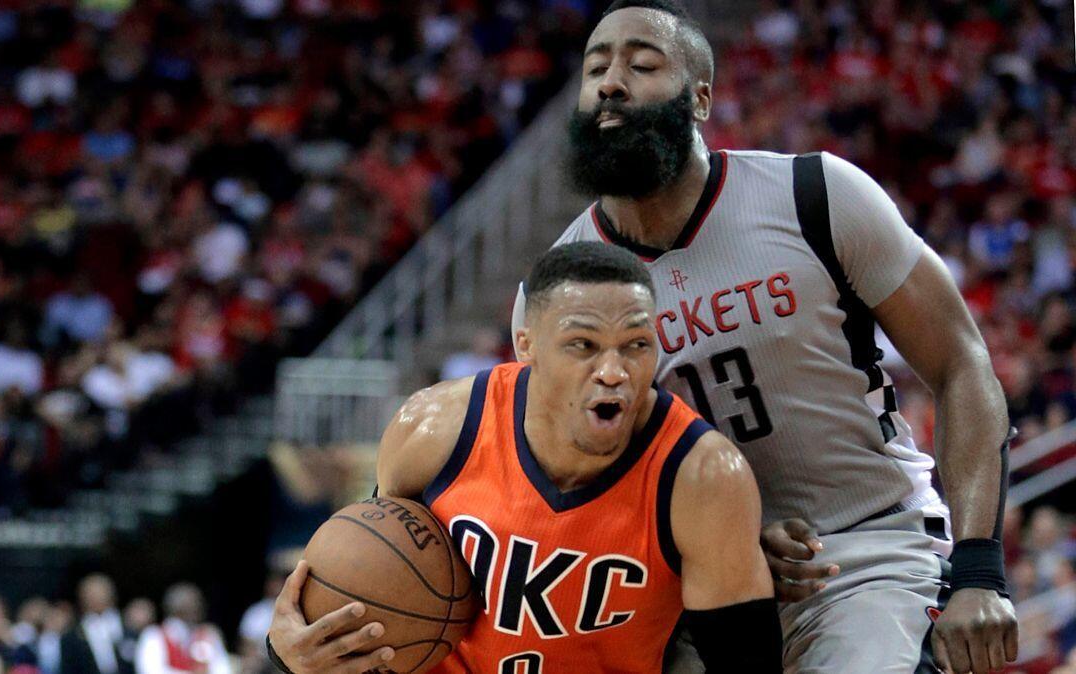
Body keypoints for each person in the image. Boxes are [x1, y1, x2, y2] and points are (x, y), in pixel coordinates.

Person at [508, 1, 1018, 672]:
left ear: (700, 97)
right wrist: (728, 539)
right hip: (690, 590)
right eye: (595, 66)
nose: (610, 81)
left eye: (641, 63)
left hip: (866, 552)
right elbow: (566, 486)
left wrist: (980, 569)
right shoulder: (553, 294)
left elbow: (961, 362)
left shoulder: (815, 193)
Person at [267, 242, 782, 672]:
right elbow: (366, 583)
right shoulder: (434, 428)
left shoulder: (703, 476)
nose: (613, 370)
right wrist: (290, 655)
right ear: (525, 344)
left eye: (636, 344)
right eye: (583, 344)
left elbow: (746, 663)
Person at [135, 584, 230, 674]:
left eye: (198, 603)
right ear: (176, 608)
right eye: (192, 603)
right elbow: (150, 671)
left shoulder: (208, 634)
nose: (198, 607)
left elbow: (223, 669)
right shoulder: (154, 634)